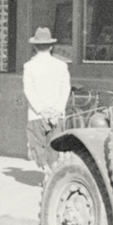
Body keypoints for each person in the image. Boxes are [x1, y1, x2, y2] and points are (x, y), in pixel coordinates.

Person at [23, 27, 71, 163]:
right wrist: (57, 110)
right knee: (55, 147)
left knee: (38, 146)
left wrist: (42, 111)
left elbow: (29, 90)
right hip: (57, 115)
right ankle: (51, 173)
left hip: (36, 114)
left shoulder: (29, 66)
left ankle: (46, 172)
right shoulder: (61, 65)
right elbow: (65, 89)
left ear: (34, 46)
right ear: (51, 46)